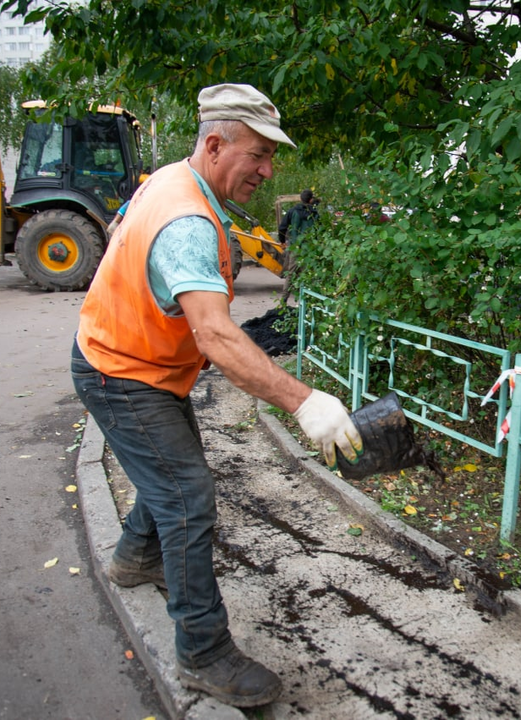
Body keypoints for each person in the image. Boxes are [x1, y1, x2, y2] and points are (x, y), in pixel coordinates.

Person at [69, 83, 363, 709]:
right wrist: (306, 402)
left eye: (270, 157)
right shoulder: (186, 221)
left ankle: (134, 559)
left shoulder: (175, 180)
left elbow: (125, 231)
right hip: (122, 372)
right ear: (214, 143)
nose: (267, 169)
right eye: (258, 154)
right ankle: (202, 653)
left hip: (132, 361)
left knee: (174, 479)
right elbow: (217, 334)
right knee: (187, 497)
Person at [279, 189, 319, 304]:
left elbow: (282, 227)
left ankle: (283, 301)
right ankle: (308, 303)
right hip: (310, 249)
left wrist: (283, 241)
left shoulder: (292, 211)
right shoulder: (315, 213)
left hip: (295, 247)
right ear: (311, 199)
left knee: (291, 274)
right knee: (308, 275)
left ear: (301, 199)